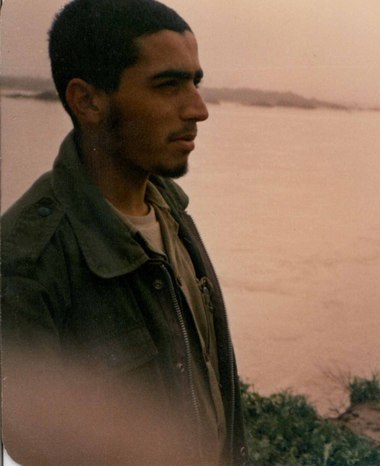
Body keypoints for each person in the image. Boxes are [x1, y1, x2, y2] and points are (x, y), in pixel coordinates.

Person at [1, 0, 247, 464]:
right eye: (168, 85)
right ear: (87, 101)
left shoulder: (171, 211)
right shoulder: (25, 268)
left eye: (195, 83)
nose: (198, 110)